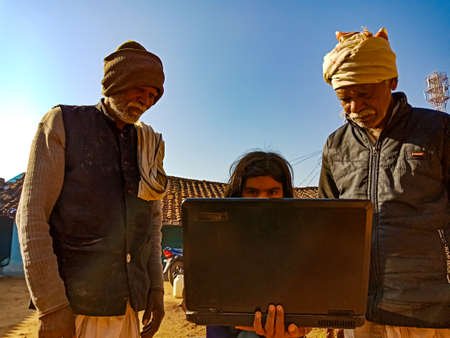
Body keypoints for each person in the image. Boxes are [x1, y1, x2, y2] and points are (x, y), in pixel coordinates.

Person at [16, 41, 168, 338]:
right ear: (116, 81)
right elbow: (31, 218)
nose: (146, 100)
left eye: (153, 95)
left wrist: (157, 290)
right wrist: (52, 308)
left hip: (128, 312)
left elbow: (151, 226)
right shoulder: (61, 123)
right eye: (140, 88)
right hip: (75, 311)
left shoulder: (149, 147)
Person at [320, 27, 450, 337]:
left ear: (392, 81)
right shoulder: (335, 146)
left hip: (427, 310)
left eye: (364, 93)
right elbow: (327, 230)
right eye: (344, 98)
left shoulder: (438, 131)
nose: (354, 107)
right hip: (359, 315)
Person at [206, 151, 313, 338]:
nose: (263, 200)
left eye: (273, 192)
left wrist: (303, 324)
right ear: (239, 194)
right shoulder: (219, 238)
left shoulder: (299, 240)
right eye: (252, 192)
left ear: (285, 195)